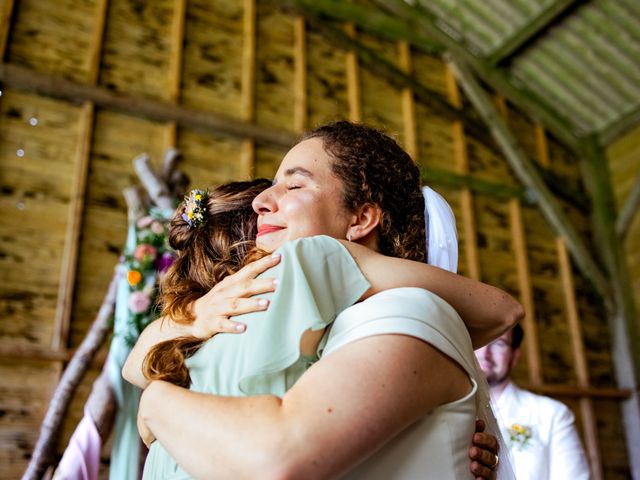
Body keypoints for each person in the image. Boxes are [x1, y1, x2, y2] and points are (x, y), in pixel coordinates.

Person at [126, 121, 524, 478]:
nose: (262, 201)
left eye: (294, 185)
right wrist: (197, 315)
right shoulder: (275, 312)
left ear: (361, 219)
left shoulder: (378, 297)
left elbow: (504, 311)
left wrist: (158, 404)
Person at [475, 324, 591, 479]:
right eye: (479, 342)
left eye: (498, 343)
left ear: (515, 356)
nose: (485, 353)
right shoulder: (445, 409)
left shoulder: (552, 414)